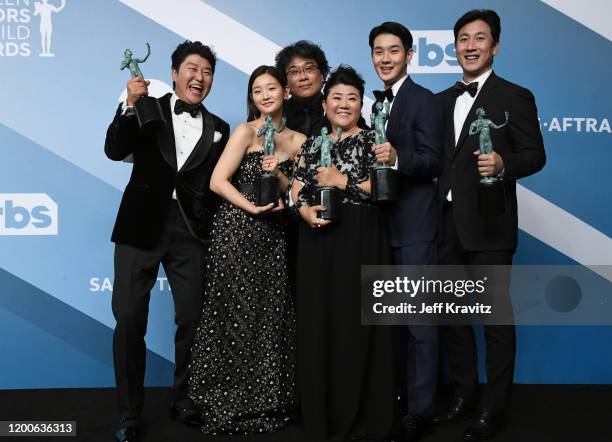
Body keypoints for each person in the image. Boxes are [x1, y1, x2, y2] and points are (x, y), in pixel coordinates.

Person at [104, 40, 230, 442]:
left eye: (207, 71)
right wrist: (128, 104)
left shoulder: (221, 129)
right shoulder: (148, 106)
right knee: (128, 319)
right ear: (174, 73)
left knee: (192, 318)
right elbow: (114, 150)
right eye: (192, 69)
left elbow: (216, 185)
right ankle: (128, 413)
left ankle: (185, 399)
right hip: (140, 224)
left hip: (190, 231)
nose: (199, 77)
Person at [433, 10, 546, 441]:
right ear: (455, 46)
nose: (470, 45)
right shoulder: (441, 100)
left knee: (495, 321)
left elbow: (535, 155)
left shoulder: (515, 95)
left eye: (480, 38)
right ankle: (463, 397)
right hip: (445, 225)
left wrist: (503, 163)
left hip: (490, 223)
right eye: (463, 38)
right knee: (453, 319)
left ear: (495, 46)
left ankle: (494, 408)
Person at [188, 65, 305, 434]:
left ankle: (267, 399)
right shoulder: (245, 131)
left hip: (274, 238)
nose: (265, 95)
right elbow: (217, 181)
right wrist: (251, 207)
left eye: (271, 88)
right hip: (236, 232)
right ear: (251, 98)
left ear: (285, 92)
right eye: (257, 91)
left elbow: (298, 193)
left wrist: (283, 178)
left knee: (269, 316)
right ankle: (226, 399)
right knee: (234, 316)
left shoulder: (300, 141)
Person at [289, 65, 396, 441]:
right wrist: (302, 210)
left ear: (361, 103)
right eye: (337, 97)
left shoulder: (374, 141)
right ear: (324, 102)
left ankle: (364, 417)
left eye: (352, 98)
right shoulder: (310, 143)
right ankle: (322, 415)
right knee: (321, 325)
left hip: (363, 240)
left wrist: (341, 180)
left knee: (357, 326)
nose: (344, 104)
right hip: (318, 243)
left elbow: (384, 192)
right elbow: (296, 190)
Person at [369, 21, 443, 442]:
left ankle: (420, 410)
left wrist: (398, 157)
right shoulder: (372, 104)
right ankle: (392, 400)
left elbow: (433, 162)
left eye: (393, 50)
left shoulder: (424, 100)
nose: (385, 58)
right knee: (389, 325)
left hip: (415, 226)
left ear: (409, 55)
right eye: (378, 51)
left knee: (419, 324)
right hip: (379, 228)